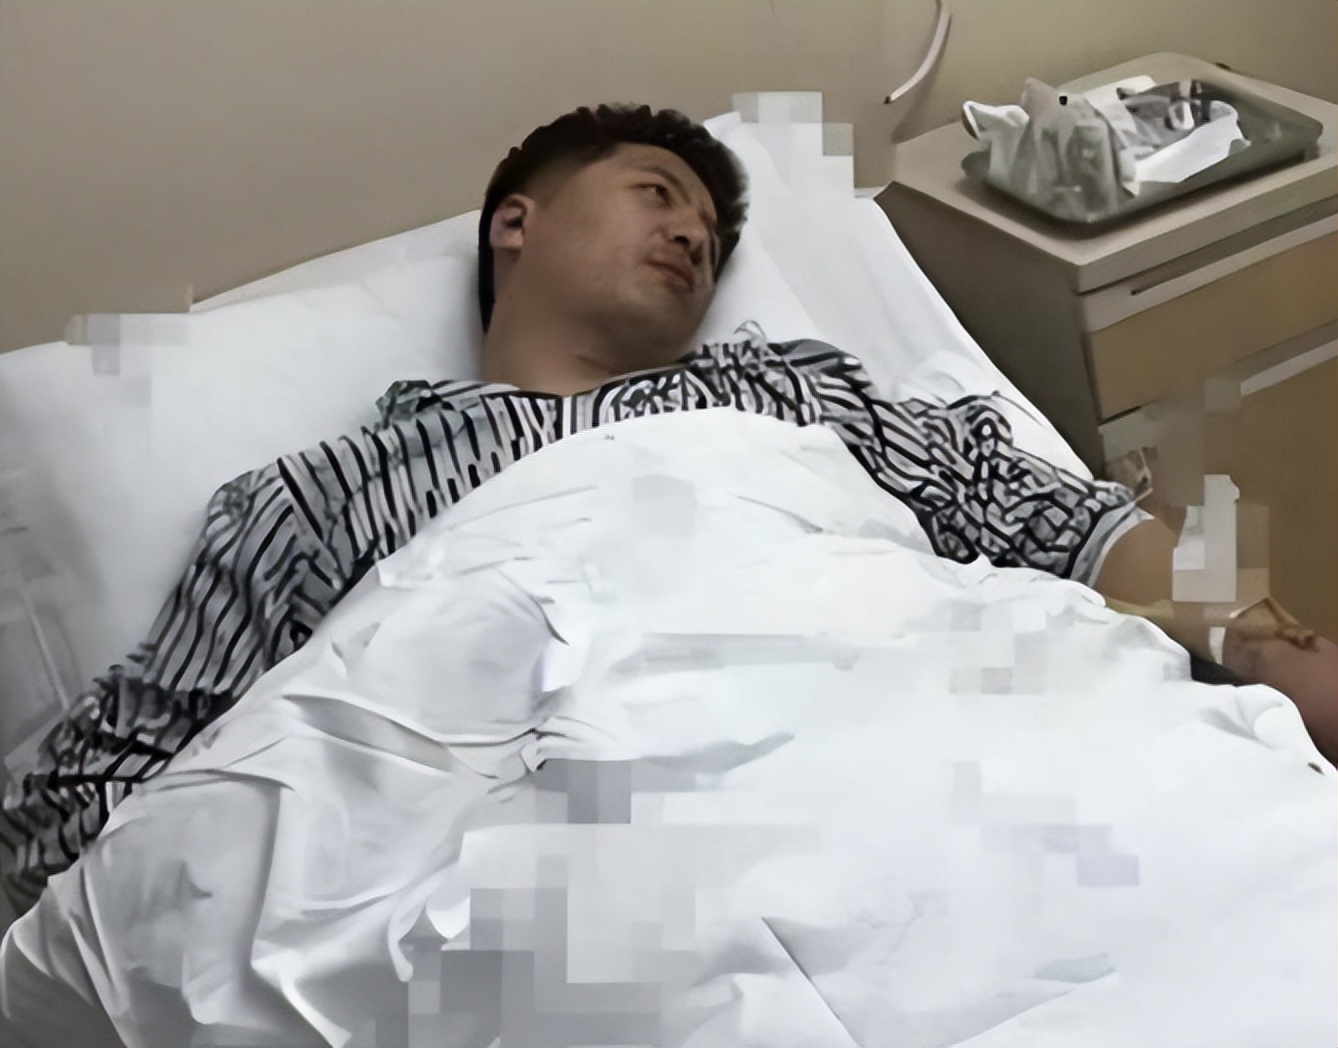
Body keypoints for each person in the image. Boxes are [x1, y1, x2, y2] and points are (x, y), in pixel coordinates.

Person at [2, 103, 1332, 916]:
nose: (695, 234)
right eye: (656, 195)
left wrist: (1273, 646)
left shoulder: (791, 391)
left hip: (981, 781)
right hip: (580, 884)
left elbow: (1054, 514)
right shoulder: (318, 496)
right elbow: (98, 809)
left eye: (710, 228)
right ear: (515, 224)